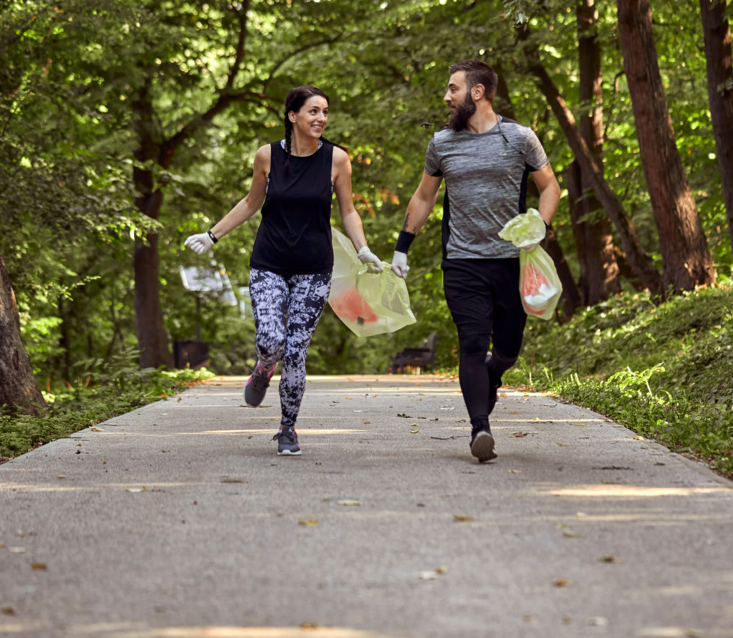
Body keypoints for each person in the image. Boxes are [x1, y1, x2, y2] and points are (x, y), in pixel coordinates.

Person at [184, 86, 381, 457]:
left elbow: (348, 210)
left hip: (315, 269)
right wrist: (213, 236)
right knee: (272, 343)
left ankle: (287, 428)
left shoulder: (337, 160)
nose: (321, 118)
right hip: (269, 264)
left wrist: (364, 249)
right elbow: (250, 202)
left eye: (325, 112)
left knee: (295, 350)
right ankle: (262, 368)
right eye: (313, 111)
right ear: (292, 116)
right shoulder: (267, 156)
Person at [391, 60, 560, 463]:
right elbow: (424, 197)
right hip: (463, 260)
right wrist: (402, 246)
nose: (447, 97)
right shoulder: (442, 143)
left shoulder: (519, 138)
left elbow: (550, 186)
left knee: (507, 350)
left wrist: (541, 224)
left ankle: (493, 376)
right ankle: (479, 428)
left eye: (453, 89)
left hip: (511, 263)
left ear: (478, 92)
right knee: (470, 342)